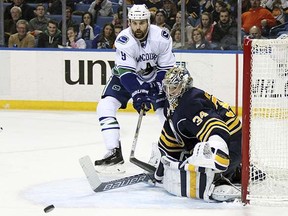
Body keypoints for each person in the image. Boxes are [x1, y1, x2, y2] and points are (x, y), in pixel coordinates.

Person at [94, 4, 176, 168]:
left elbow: (166, 68)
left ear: (148, 21)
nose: (138, 27)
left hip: (155, 77)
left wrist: (156, 85)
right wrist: (138, 94)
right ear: (129, 22)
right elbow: (126, 73)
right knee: (105, 107)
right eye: (134, 23)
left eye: (142, 23)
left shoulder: (161, 36)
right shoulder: (124, 40)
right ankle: (113, 152)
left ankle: (175, 149)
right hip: (126, 79)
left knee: (163, 111)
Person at [153, 65, 242, 201]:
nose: (169, 91)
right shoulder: (173, 104)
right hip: (222, 139)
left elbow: (216, 128)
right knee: (187, 159)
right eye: (168, 86)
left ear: (184, 86)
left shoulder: (192, 103)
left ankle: (228, 174)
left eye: (174, 87)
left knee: (202, 165)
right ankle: (234, 170)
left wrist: (215, 151)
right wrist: (163, 157)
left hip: (231, 143)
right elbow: (171, 131)